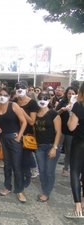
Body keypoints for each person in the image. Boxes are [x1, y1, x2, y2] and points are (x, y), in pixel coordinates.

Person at [0, 88, 27, 203]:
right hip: (3, 138)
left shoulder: (13, 105)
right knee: (7, 164)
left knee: (16, 165)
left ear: (9, 96)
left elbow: (24, 121)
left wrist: (19, 136)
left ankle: (19, 190)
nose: (2, 96)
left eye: (5, 95)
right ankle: (7, 186)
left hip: (14, 139)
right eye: (0, 94)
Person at [34, 92, 62, 202]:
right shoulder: (35, 113)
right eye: (40, 98)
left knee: (49, 171)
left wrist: (54, 147)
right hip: (39, 147)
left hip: (51, 146)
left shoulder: (54, 114)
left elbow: (58, 132)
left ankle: (46, 192)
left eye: (45, 98)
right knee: (42, 170)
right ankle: (45, 189)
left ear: (49, 100)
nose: (42, 100)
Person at [65, 82, 84, 218]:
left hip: (80, 142)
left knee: (75, 172)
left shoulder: (79, 105)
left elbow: (71, 127)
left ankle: (77, 206)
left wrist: (71, 115)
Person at [15, 80, 39, 186]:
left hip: (27, 135)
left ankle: (27, 177)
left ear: (27, 89)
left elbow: (32, 121)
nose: (20, 89)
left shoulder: (32, 103)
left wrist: (22, 111)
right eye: (18, 88)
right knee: (17, 159)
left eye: (22, 87)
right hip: (15, 134)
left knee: (25, 159)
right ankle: (19, 178)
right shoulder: (14, 101)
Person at [55, 86, 78, 177]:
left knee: (68, 150)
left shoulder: (78, 104)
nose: (71, 95)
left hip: (71, 131)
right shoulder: (63, 102)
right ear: (66, 94)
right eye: (69, 93)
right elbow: (55, 113)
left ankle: (65, 169)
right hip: (61, 129)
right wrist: (62, 110)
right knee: (57, 147)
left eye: (73, 93)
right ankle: (52, 165)